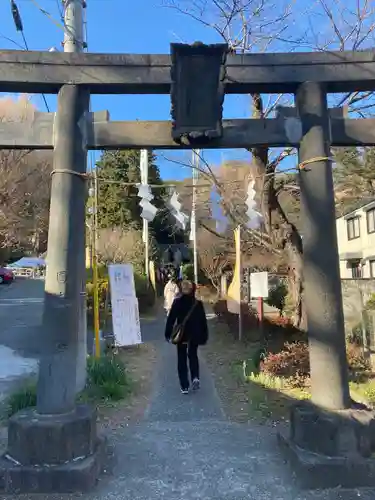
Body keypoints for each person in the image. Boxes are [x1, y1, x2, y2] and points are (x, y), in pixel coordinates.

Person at [164, 280, 208, 394]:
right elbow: (203, 321)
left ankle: (184, 386)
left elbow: (171, 319)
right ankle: (195, 377)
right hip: (195, 334)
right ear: (193, 289)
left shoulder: (177, 302)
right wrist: (204, 336)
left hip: (182, 335)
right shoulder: (198, 303)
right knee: (193, 355)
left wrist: (168, 334)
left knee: (181, 358)